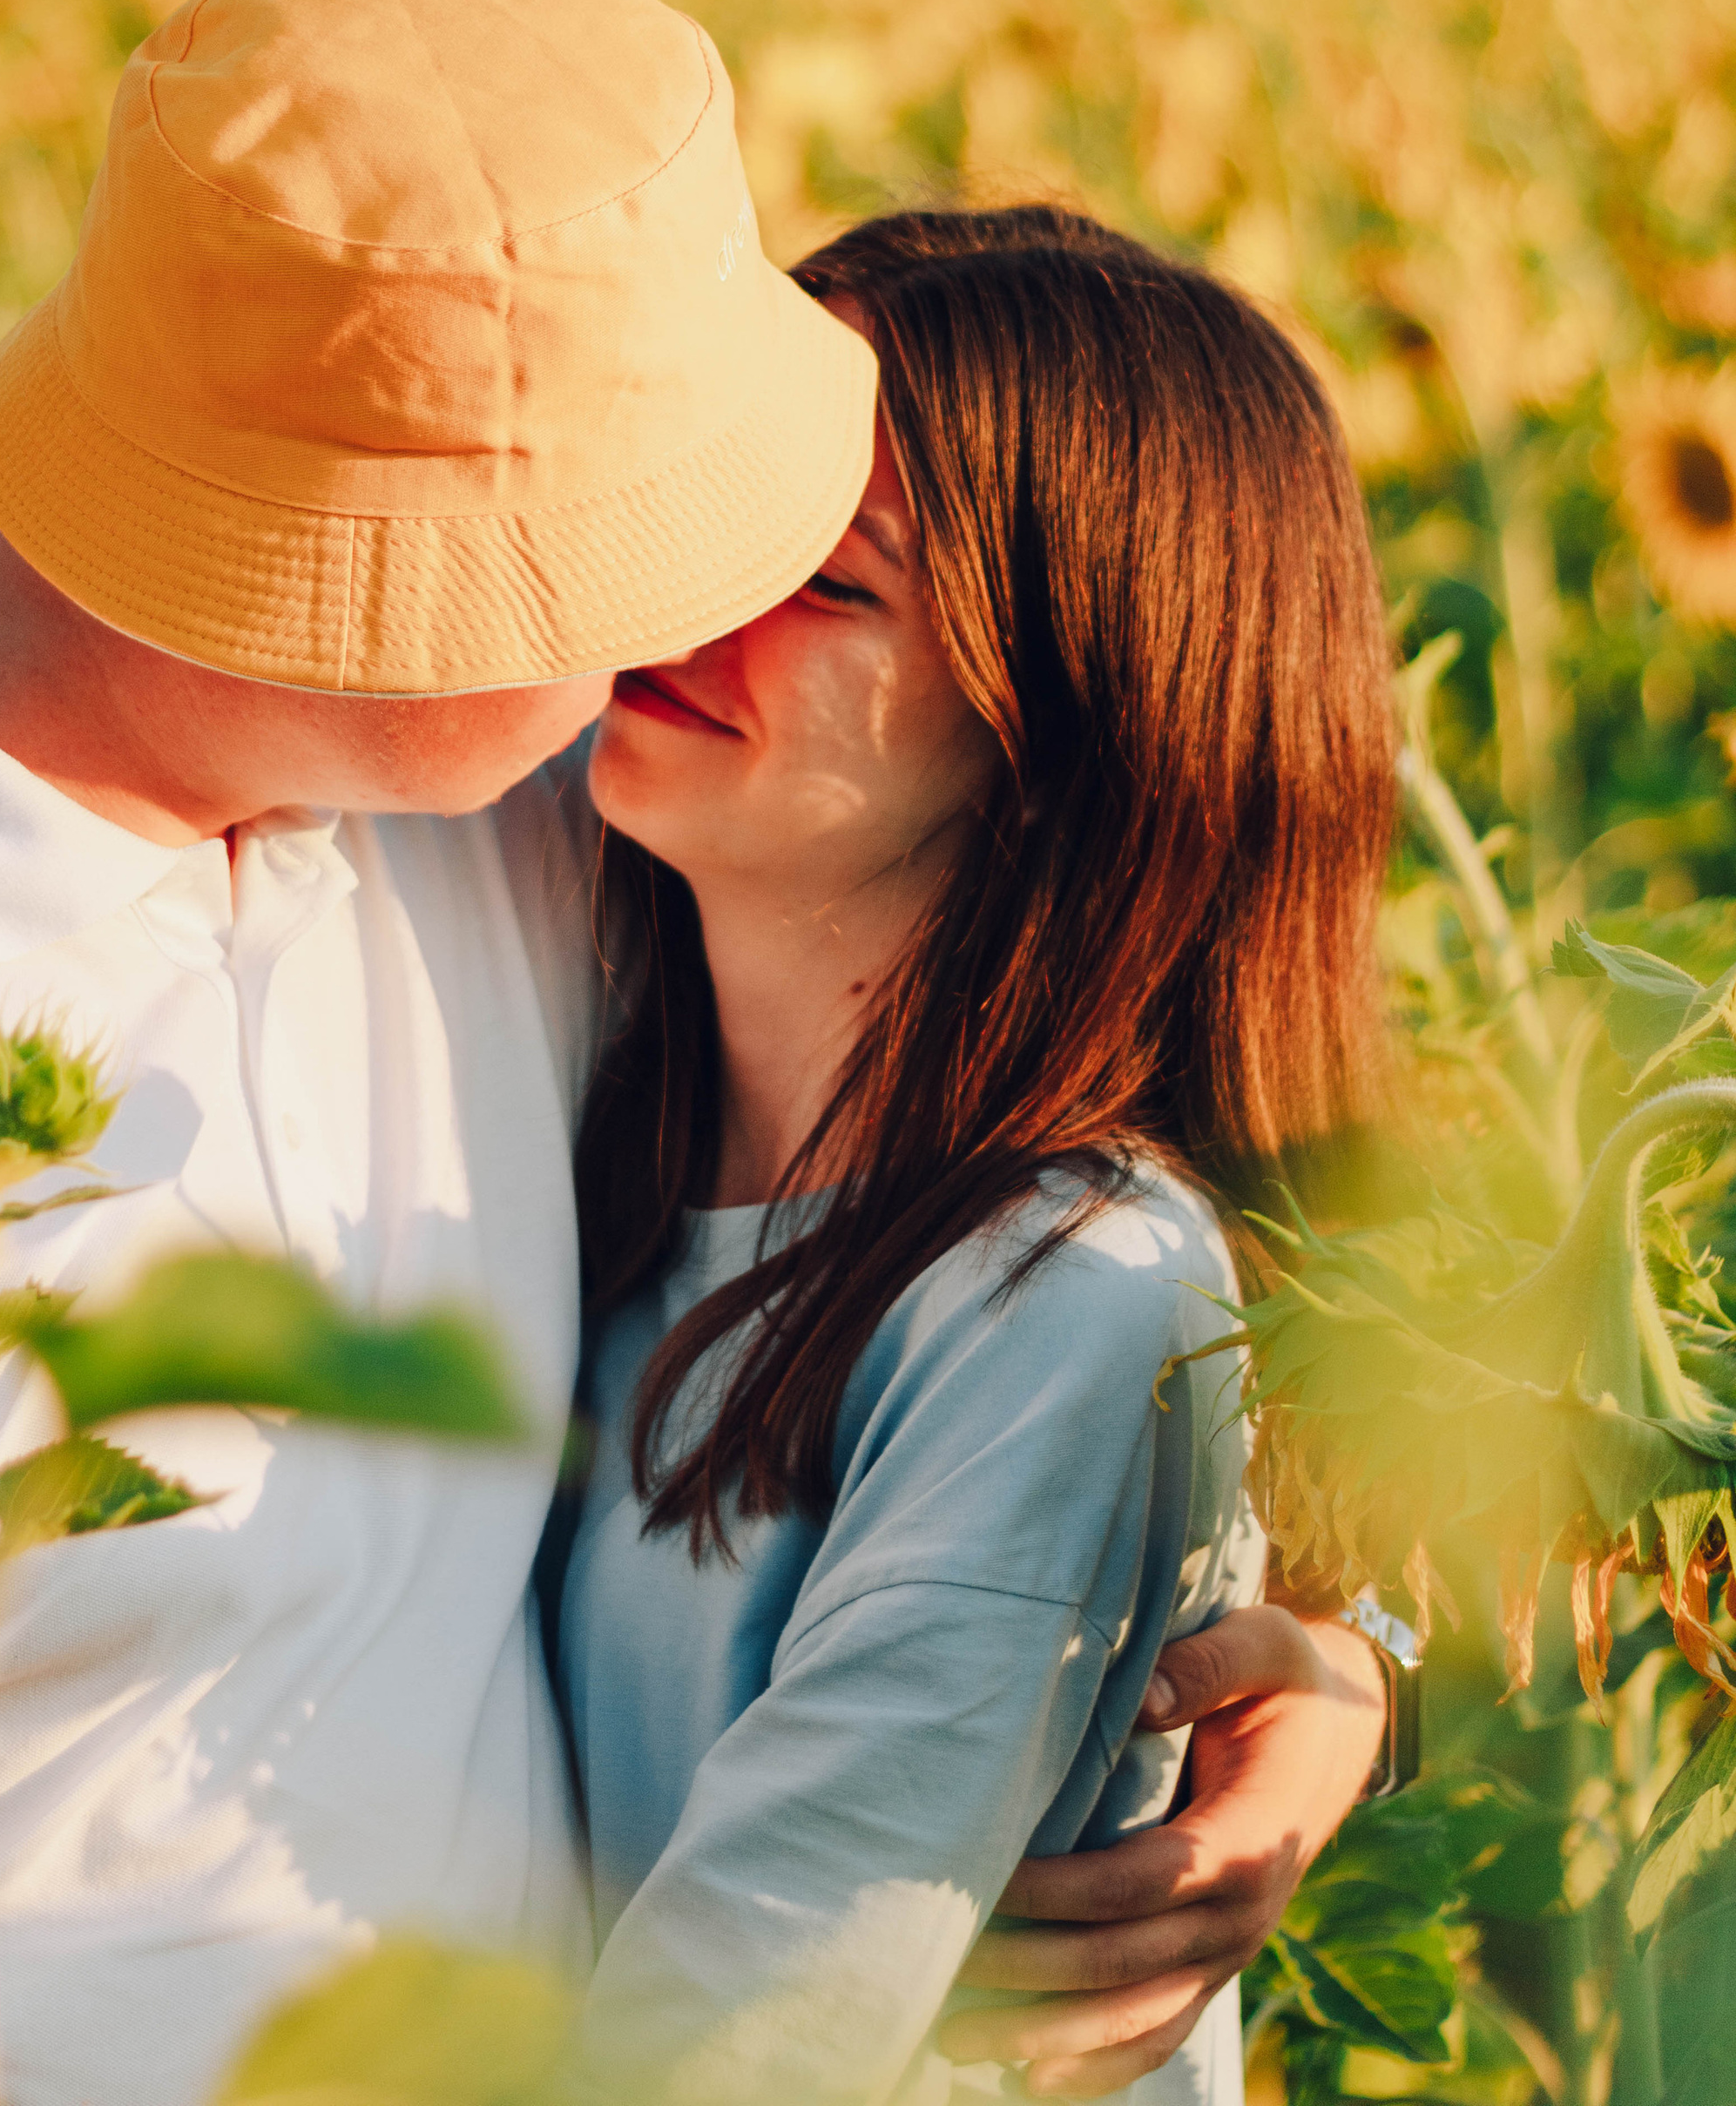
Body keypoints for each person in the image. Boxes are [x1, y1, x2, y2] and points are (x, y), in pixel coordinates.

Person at [0, 0, 1384, 2106]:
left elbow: (1127, 1094)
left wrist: (1316, 1674)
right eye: (656, 526)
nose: (705, 599)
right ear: (373, 578)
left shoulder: (503, 806)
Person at [557, 207, 1398, 2105]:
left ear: (1073, 733)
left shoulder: (1069, 1305)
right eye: (713, 508)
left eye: (829, 582)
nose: (694, 600)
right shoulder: (580, 1007)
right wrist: (1359, 1673)